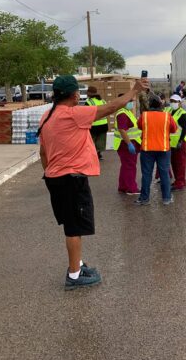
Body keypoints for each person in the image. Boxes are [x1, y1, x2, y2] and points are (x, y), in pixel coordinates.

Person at [38, 75, 148, 289]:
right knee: (74, 228)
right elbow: (112, 107)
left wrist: (52, 172)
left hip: (56, 177)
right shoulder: (73, 114)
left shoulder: (47, 116)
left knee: (72, 224)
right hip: (70, 179)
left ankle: (77, 263)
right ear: (74, 95)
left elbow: (43, 152)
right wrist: (134, 91)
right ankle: (74, 275)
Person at [135, 96, 177, 205]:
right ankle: (166, 199)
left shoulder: (144, 115)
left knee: (146, 174)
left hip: (147, 149)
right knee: (164, 174)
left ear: (149, 104)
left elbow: (140, 126)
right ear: (160, 104)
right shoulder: (167, 116)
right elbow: (174, 129)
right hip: (163, 149)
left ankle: (144, 199)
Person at [114, 95, 142, 195]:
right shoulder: (122, 114)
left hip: (127, 143)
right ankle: (131, 188)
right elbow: (122, 130)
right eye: (130, 101)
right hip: (126, 144)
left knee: (126, 166)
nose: (132, 103)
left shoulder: (127, 112)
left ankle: (123, 186)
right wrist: (129, 144)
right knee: (130, 166)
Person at [168, 94, 186, 191]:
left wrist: (180, 141)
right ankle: (178, 180)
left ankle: (180, 182)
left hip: (179, 143)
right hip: (171, 143)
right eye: (171, 101)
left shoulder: (183, 114)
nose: (173, 103)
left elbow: (185, 129)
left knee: (180, 163)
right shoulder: (169, 111)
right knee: (173, 163)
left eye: (175, 101)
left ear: (179, 103)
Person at [85, 86, 108, 160]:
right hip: (104, 124)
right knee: (101, 141)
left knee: (92, 141)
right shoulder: (103, 101)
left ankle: (93, 155)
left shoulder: (89, 102)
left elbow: (86, 114)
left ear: (89, 93)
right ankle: (99, 154)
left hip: (94, 125)